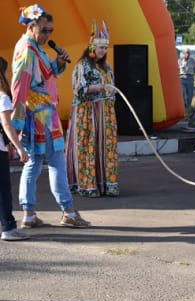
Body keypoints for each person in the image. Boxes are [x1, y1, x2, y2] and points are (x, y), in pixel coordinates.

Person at [11, 4, 90, 228]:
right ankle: (68, 212)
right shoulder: (28, 49)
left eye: (51, 31)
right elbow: (20, 84)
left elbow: (43, 76)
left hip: (41, 112)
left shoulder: (33, 47)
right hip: (41, 114)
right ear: (31, 26)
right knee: (55, 161)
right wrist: (16, 119)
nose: (48, 35)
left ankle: (29, 214)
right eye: (44, 30)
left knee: (34, 163)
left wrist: (59, 63)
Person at [66, 20, 119, 198]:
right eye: (100, 47)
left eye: (105, 48)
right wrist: (98, 88)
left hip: (105, 114)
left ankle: (106, 184)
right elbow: (78, 90)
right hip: (88, 114)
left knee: (105, 147)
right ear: (92, 47)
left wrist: (108, 92)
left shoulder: (106, 67)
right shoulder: (83, 66)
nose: (103, 51)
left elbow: (112, 87)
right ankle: (88, 184)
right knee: (88, 146)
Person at [0, 56, 30, 241]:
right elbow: (7, 125)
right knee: (3, 189)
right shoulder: (2, 97)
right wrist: (19, 148)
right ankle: (8, 228)